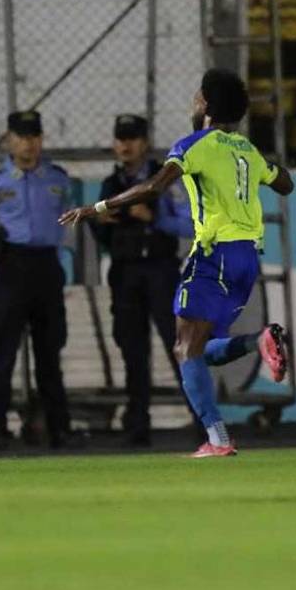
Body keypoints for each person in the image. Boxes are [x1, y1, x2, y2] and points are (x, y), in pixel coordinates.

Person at [60, 70, 295, 459]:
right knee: (197, 349)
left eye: (195, 98)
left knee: (186, 350)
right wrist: (263, 167)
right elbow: (285, 183)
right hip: (247, 258)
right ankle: (259, 341)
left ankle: (218, 439)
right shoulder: (247, 150)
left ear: (205, 105)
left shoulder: (193, 145)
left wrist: (95, 207)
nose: (193, 104)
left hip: (214, 253)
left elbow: (154, 187)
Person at [91, 114, 194, 447]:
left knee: (179, 346)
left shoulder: (164, 179)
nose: (126, 145)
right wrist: (102, 223)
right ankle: (137, 424)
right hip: (125, 273)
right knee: (132, 351)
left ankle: (204, 420)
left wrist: (154, 218)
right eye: (121, 138)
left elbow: (188, 225)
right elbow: (100, 232)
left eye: (132, 138)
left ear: (145, 143)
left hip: (160, 269)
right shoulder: (110, 185)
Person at [0, 110, 79, 451]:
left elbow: (69, 223)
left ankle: (59, 428)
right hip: (11, 267)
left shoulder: (58, 179)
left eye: (34, 136)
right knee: (3, 355)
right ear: (9, 140)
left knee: (49, 355)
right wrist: (0, 260)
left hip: (46, 267)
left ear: (42, 139)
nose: (28, 144)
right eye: (21, 137)